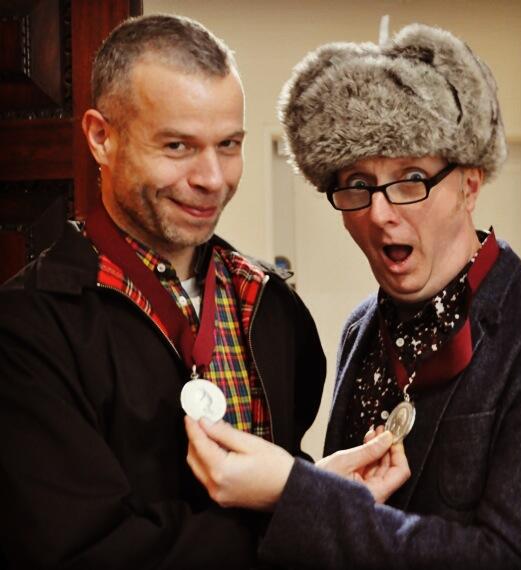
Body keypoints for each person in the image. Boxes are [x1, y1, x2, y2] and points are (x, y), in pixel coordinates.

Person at [185, 23, 521, 569]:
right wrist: (322, 492)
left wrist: (295, 492)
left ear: (470, 184)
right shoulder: (360, 327)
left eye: (412, 178)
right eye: (358, 183)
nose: (380, 212)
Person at [0, 14, 331, 569]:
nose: (212, 178)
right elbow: (82, 551)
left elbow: (287, 463)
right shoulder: (26, 327)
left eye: (228, 144)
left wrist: (318, 492)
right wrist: (303, 512)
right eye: (178, 145)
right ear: (101, 138)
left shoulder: (275, 307)